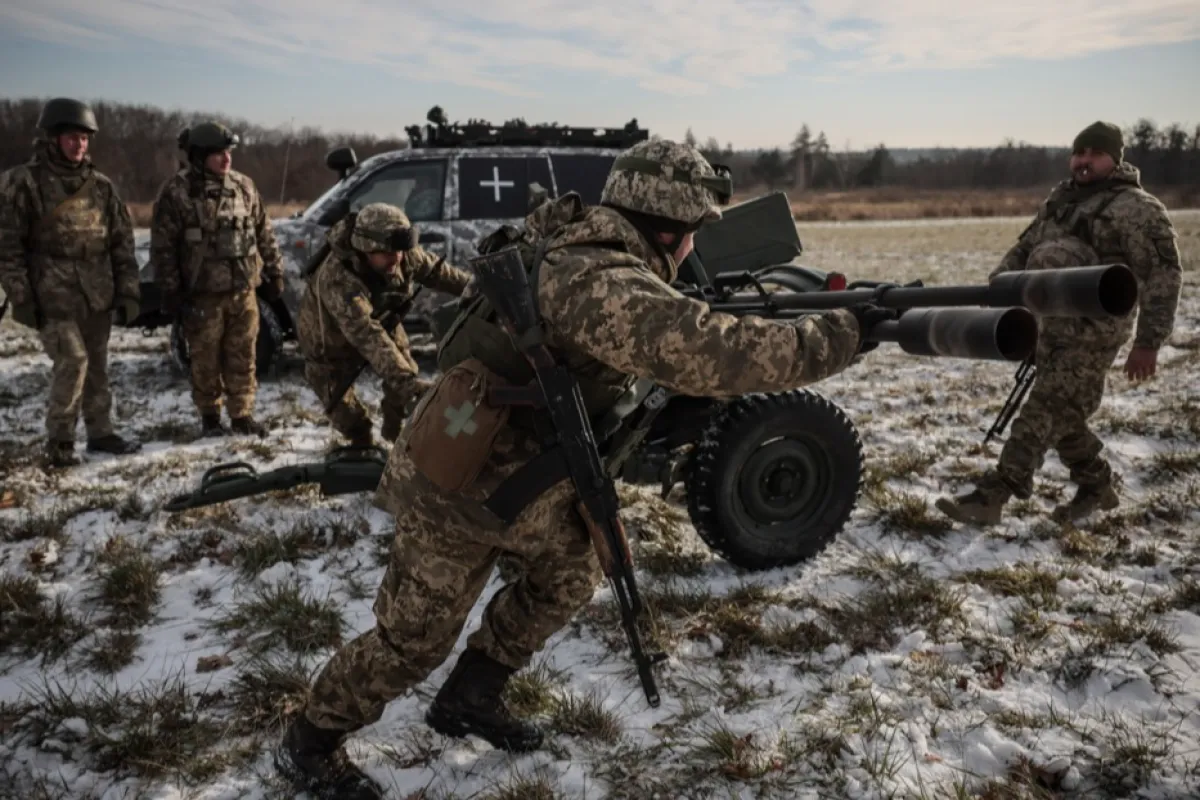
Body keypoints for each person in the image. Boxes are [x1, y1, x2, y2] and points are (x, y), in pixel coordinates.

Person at [273, 138, 894, 799]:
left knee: (568, 576)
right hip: (458, 484)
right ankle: (309, 742)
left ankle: (469, 697)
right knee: (412, 641)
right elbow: (714, 353)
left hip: (527, 474)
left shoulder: (593, 250)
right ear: (675, 228)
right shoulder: (598, 279)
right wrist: (842, 333)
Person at [936, 121, 1182, 526]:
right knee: (1063, 412)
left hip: (1094, 335)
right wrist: (995, 296)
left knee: (1042, 409)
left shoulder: (1138, 209)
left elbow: (1163, 276)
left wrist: (1149, 342)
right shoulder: (1061, 201)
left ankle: (992, 496)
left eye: (1094, 153)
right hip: (1048, 327)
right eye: (1078, 152)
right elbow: (1025, 250)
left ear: (1115, 159)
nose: (1083, 161)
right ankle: (1097, 486)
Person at [0, 97, 143, 467]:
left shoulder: (101, 187)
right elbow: (7, 244)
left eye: (83, 138)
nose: (78, 145)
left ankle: (100, 432)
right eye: (71, 138)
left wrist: (128, 291)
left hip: (97, 293)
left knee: (97, 365)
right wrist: (21, 296)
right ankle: (61, 441)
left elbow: (122, 243)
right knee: (73, 361)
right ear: (52, 138)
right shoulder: (23, 183)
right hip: (51, 297)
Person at [148, 120, 284, 437]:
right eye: (218, 154)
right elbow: (163, 246)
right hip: (202, 296)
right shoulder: (177, 192)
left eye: (228, 152)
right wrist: (170, 288)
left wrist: (275, 271)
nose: (226, 160)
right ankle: (210, 417)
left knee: (244, 356)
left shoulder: (244, 187)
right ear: (198, 156)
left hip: (244, 292)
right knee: (205, 360)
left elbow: (265, 233)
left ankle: (242, 415)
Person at [295, 202, 472, 447]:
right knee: (346, 414)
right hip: (329, 342)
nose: (397, 259)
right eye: (388, 254)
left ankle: (395, 434)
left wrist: (477, 288)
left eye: (400, 252)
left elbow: (439, 273)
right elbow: (367, 335)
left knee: (404, 373)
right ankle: (362, 445)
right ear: (366, 249)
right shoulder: (337, 279)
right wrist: (408, 385)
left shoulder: (399, 251)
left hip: (380, 320)